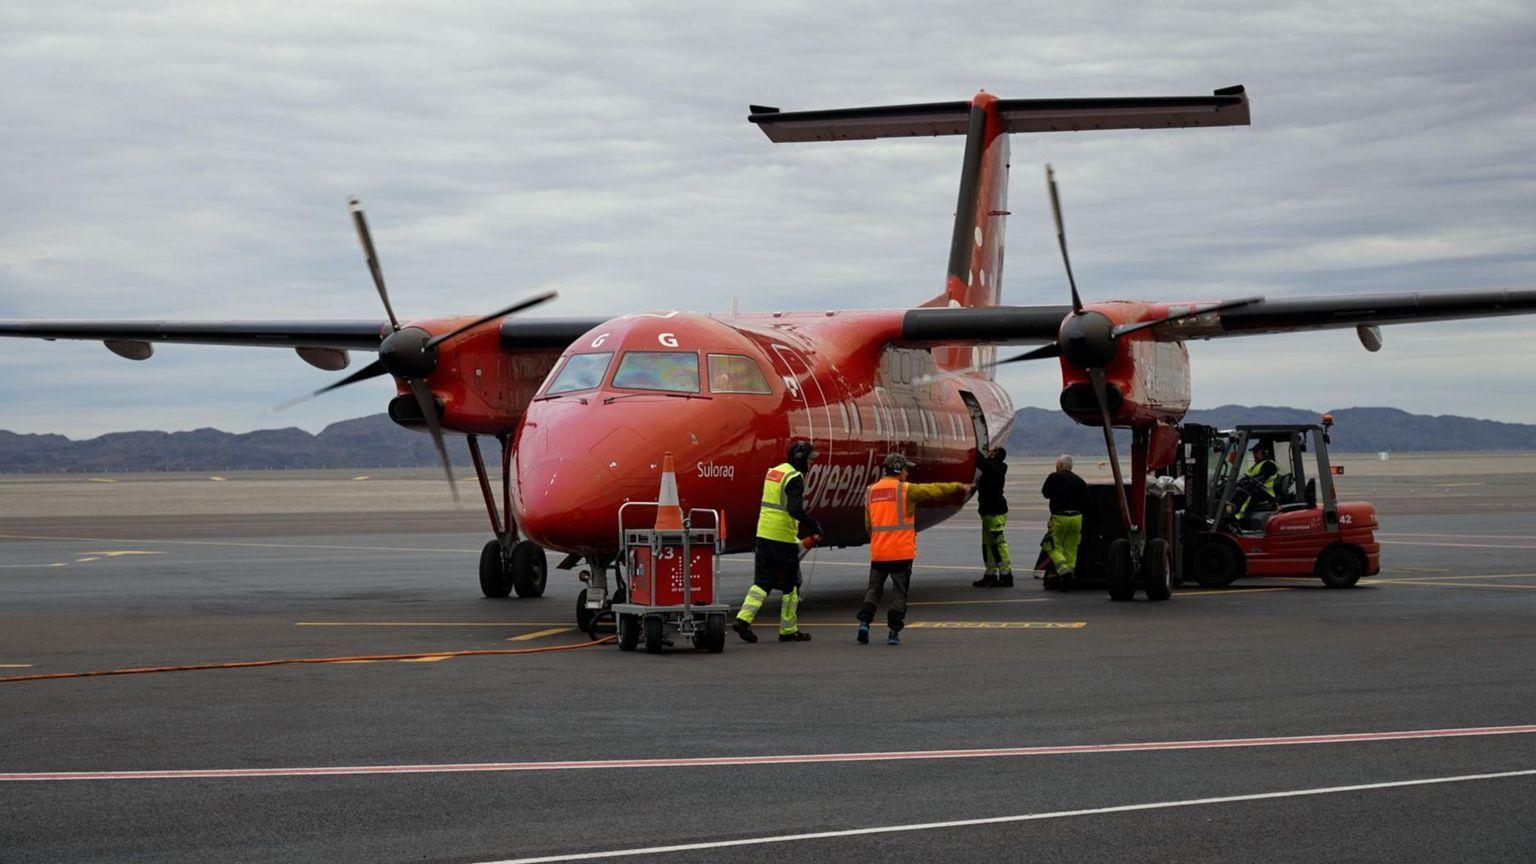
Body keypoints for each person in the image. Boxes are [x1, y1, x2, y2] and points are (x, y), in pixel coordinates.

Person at [858, 453, 970, 645]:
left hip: (879, 551)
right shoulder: (906, 491)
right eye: (905, 469)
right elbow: (933, 490)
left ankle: (864, 624)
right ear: (898, 470)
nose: (907, 473)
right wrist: (958, 487)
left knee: (874, 589)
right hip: (901, 552)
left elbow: (868, 525)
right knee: (899, 592)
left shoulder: (871, 491)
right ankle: (893, 632)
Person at [733, 440, 822, 643]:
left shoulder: (774, 472)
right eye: (809, 459)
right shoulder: (795, 478)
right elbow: (794, 509)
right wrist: (814, 524)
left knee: (762, 582)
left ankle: (743, 619)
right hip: (782, 536)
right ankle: (788, 630)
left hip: (764, 533)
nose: (811, 463)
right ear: (800, 459)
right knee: (791, 585)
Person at [1040, 455, 1088, 587]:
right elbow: (1088, 502)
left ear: (1060, 465)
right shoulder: (1080, 481)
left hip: (1060, 517)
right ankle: (1070, 575)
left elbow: (1046, 493)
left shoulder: (1054, 477)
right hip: (1077, 518)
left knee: (1052, 546)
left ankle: (1063, 571)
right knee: (1071, 548)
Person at [972, 447, 1013, 588]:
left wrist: (973, 450)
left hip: (995, 512)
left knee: (998, 544)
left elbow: (983, 463)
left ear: (996, 456)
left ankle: (1006, 575)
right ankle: (990, 574)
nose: (989, 453)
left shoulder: (997, 469)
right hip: (987, 512)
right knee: (988, 544)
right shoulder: (991, 469)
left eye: (992, 452)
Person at [1233, 441, 1280, 523]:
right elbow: (1252, 477)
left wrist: (1247, 482)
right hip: (1260, 490)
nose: (1254, 455)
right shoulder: (1258, 464)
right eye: (1253, 452)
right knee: (1240, 490)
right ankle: (1231, 511)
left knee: (1248, 492)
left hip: (1267, 493)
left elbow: (1261, 478)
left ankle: (1240, 517)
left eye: (1256, 452)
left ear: (1264, 453)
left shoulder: (1269, 465)